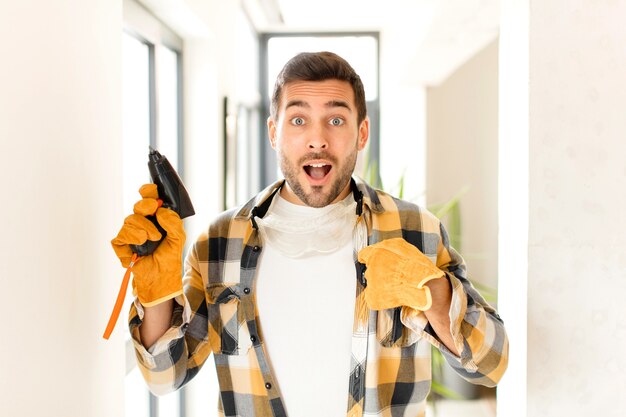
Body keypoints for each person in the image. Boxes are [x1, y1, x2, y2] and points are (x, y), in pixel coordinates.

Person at [112, 51, 508, 417]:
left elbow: (491, 365)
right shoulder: (219, 242)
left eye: (336, 120)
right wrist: (157, 294)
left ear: (362, 132)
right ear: (273, 131)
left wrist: (434, 292)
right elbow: (165, 378)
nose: (318, 139)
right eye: (298, 120)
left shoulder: (413, 229)